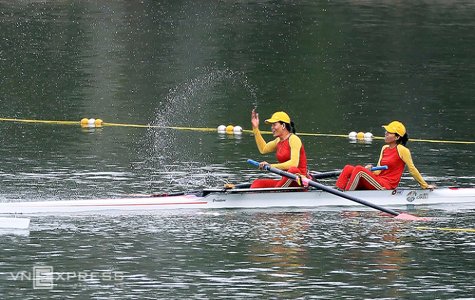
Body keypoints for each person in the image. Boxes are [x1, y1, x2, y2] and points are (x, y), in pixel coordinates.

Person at [336, 121, 435, 191]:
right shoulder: (384, 148)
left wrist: (424, 185)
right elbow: (378, 171)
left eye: (389, 132)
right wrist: (368, 170)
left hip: (386, 186)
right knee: (348, 168)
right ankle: (338, 190)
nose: (386, 133)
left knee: (358, 169)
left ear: (397, 137)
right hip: (378, 180)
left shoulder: (403, 150)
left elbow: (412, 169)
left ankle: (345, 196)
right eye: (386, 131)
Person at [250, 109, 308, 188]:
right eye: (272, 125)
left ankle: (275, 193)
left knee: (293, 170)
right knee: (257, 183)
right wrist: (255, 128)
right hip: (287, 179)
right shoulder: (278, 141)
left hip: (299, 180)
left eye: (274, 125)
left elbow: (293, 163)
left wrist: (271, 165)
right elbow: (263, 149)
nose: (272, 128)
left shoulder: (294, 139)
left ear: (283, 125)